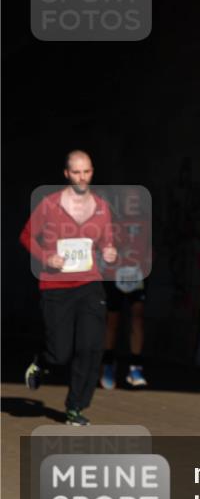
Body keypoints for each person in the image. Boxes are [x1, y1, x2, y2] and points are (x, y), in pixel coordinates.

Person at [21, 150, 118, 426]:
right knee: (60, 352)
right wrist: (46, 257)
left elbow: (107, 242)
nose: (82, 177)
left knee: (90, 347)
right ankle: (43, 360)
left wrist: (109, 251)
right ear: (66, 174)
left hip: (89, 285)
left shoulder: (101, 207)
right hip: (56, 287)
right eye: (76, 172)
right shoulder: (50, 205)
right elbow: (27, 236)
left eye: (86, 171)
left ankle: (75, 406)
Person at [101, 186, 151, 389]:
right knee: (113, 320)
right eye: (129, 200)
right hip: (114, 274)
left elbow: (148, 248)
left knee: (137, 317)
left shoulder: (144, 222)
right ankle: (107, 364)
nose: (133, 203)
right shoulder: (111, 221)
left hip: (136, 275)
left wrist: (146, 261)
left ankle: (135, 368)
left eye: (135, 200)